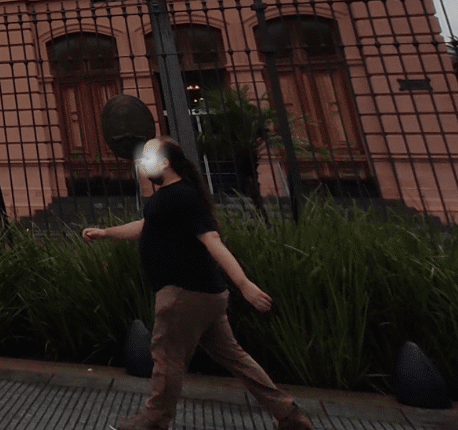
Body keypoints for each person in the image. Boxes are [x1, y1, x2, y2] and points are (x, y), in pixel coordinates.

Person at [84, 137, 311, 430]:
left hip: (183, 294)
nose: (141, 164)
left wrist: (244, 284)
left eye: (147, 158)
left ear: (165, 163)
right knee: (236, 358)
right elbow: (146, 226)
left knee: (166, 359)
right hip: (205, 295)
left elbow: (212, 240)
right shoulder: (170, 198)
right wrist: (106, 233)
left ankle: (153, 421)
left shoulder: (180, 196)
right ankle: (289, 414)